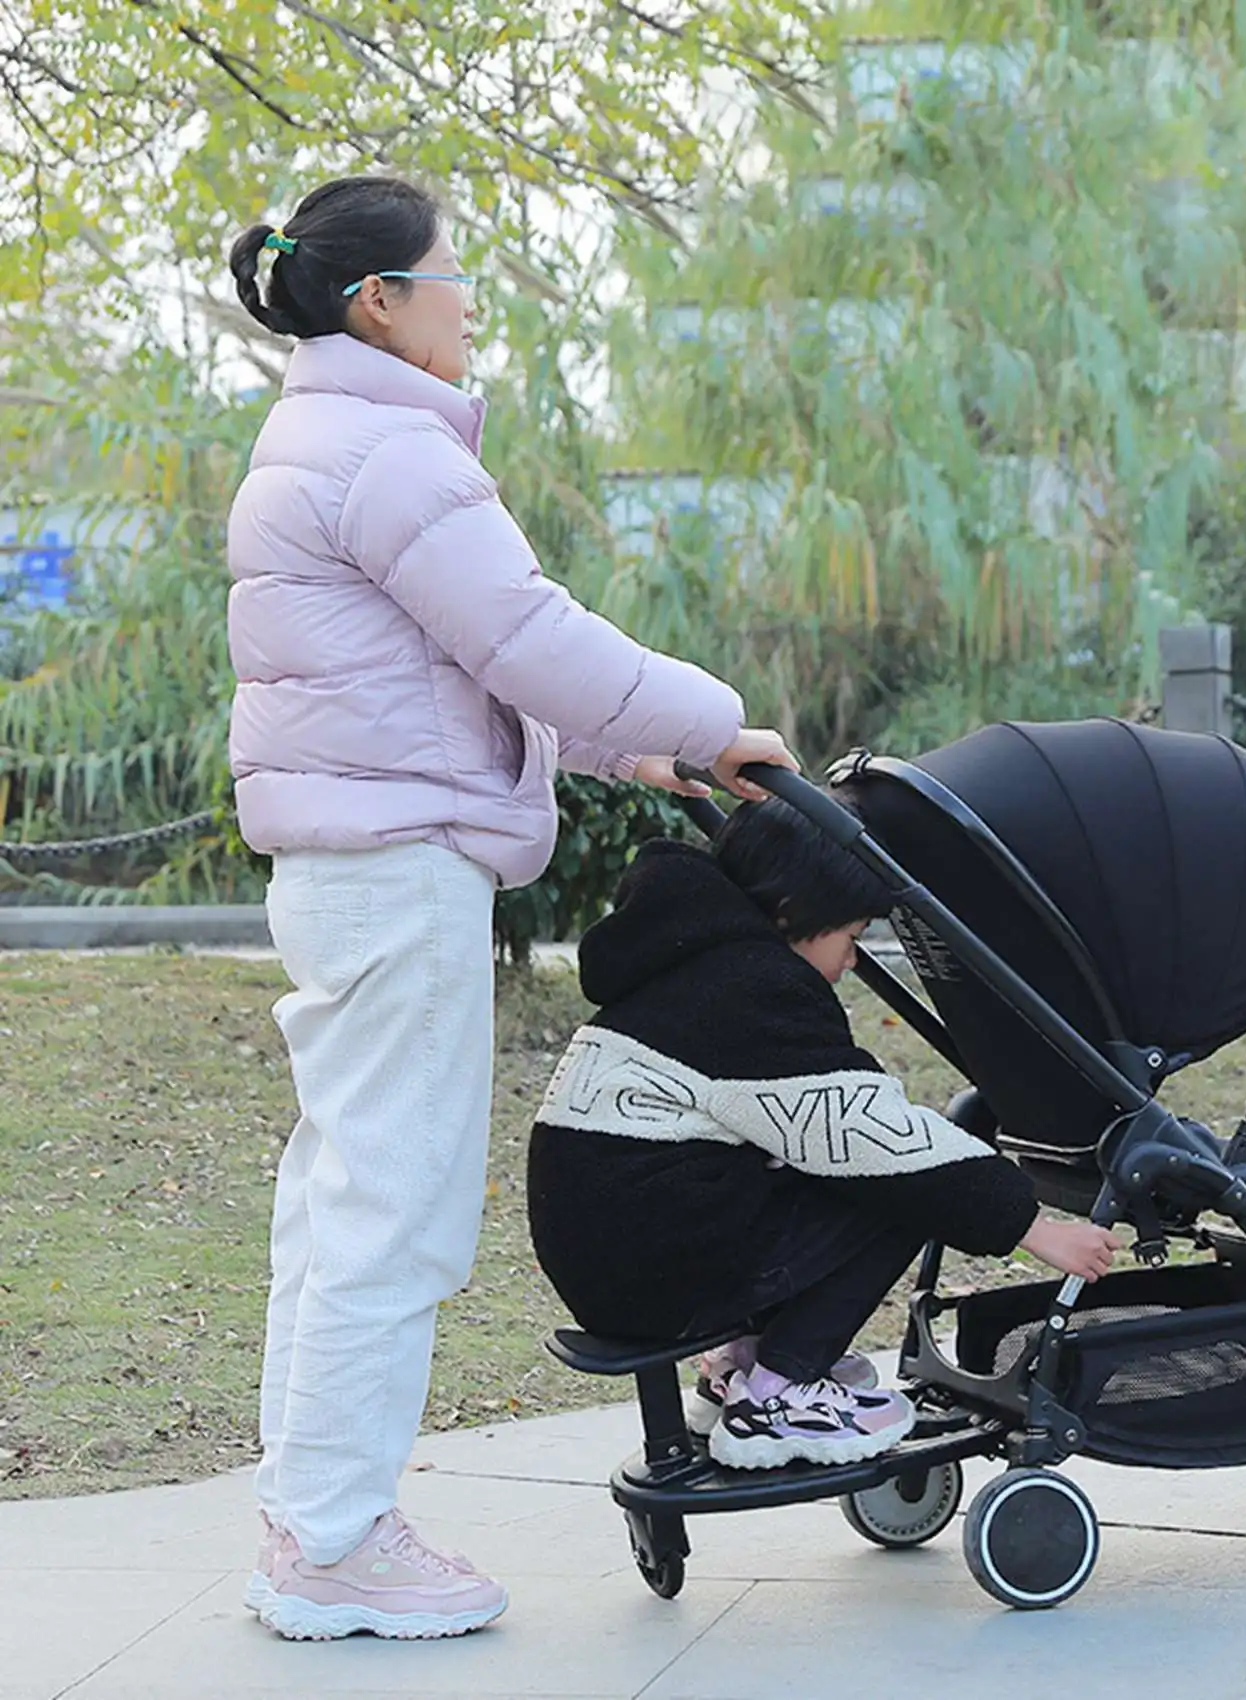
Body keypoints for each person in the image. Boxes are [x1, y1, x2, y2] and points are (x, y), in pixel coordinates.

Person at [225, 173, 797, 1642]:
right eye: (450, 273)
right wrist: (715, 716)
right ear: (379, 302)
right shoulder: (390, 456)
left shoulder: (323, 437)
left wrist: (642, 744)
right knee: (392, 1209)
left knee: (337, 1196)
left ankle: (311, 1516)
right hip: (398, 872)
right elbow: (528, 638)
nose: (469, 296)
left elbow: (462, 667)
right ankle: (338, 1546)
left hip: (352, 869)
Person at [527, 797, 1120, 1471]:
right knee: (900, 1188)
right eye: (851, 935)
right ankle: (779, 1391)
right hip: (655, 1267)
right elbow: (875, 1137)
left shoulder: (680, 959)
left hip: (614, 1256)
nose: (851, 962)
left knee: (821, 1163)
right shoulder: (751, 987)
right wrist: (1034, 1228)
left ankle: (738, 1364)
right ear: (789, 912)